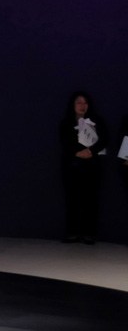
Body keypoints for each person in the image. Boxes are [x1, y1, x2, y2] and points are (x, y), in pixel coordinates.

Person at [59, 91, 106, 243]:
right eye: (79, 102)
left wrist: (90, 151)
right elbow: (64, 141)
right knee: (72, 199)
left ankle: (89, 234)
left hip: (92, 165)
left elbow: (105, 140)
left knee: (90, 200)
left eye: (85, 103)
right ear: (73, 105)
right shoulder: (66, 122)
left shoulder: (97, 121)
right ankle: (72, 232)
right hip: (73, 165)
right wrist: (77, 153)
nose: (82, 106)